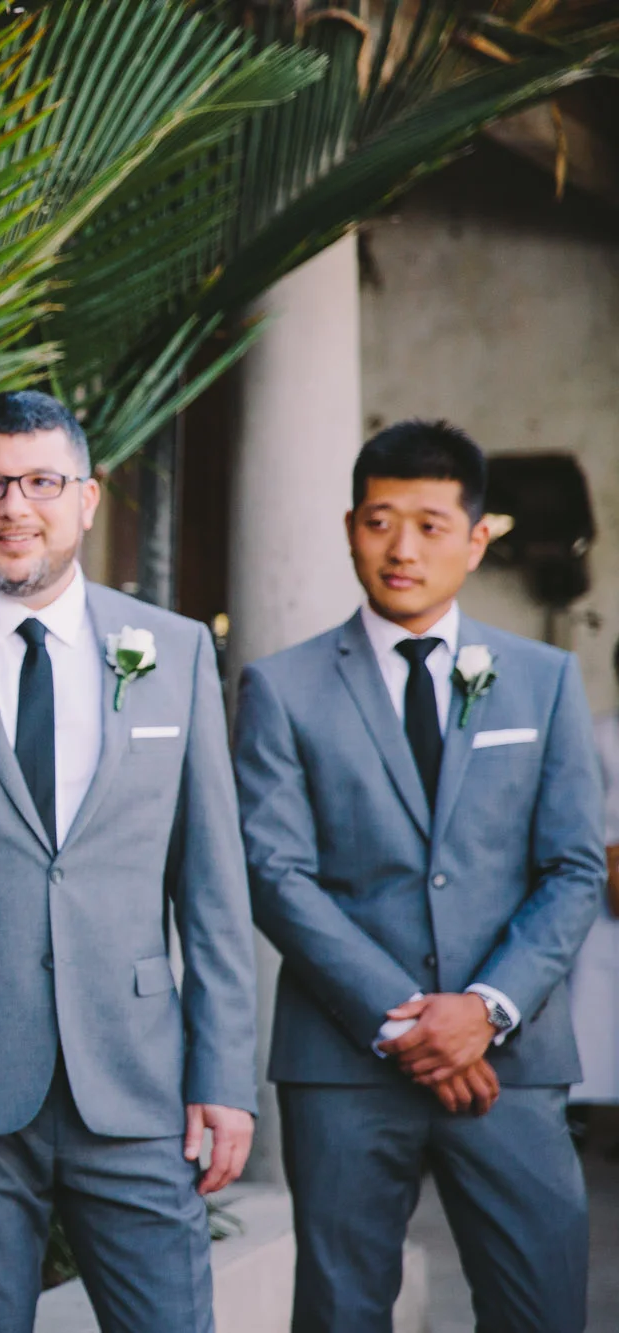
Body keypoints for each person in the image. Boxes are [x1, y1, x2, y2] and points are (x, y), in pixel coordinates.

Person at [0, 390, 257, 1333]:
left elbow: (213, 888)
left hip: (138, 1082)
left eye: (42, 481)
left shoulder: (173, 650)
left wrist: (225, 1075)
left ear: (88, 496)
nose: (15, 507)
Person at [235, 421, 603, 1332]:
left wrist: (484, 1009)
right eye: (379, 521)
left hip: (509, 1062)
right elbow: (276, 872)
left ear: (476, 539)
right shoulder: (282, 687)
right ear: (349, 528)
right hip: (344, 1063)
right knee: (341, 1312)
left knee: (540, 1309)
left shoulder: (544, 679)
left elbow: (572, 867)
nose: (402, 548)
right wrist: (409, 1023)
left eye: (431, 525)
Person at [569, 639, 619, 1109]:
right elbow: (579, 813)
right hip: (608, 890)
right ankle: (591, 1113)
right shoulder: (600, 734)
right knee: (599, 1007)